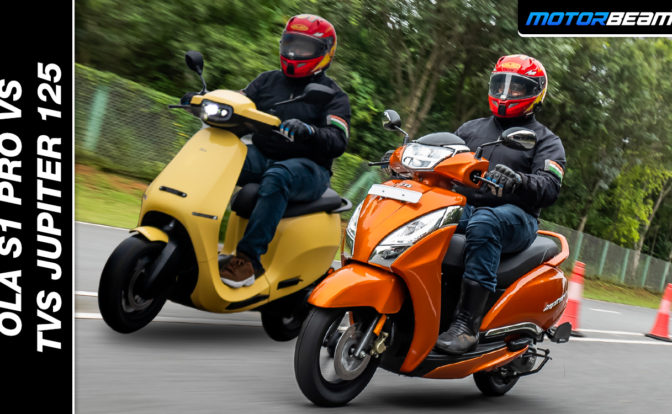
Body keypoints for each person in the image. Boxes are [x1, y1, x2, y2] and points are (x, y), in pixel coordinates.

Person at [435, 54, 566, 354]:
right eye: (501, 85)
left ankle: (466, 326)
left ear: (536, 93)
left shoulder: (547, 140)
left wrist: (519, 180)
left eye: (517, 87)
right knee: (426, 214)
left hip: (516, 216)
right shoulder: (470, 129)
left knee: (485, 222)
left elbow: (550, 187)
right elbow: (442, 160)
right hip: (465, 206)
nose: (507, 93)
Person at [213, 14, 350, 288]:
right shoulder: (267, 81)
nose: (294, 52)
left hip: (309, 168)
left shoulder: (334, 95)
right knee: (217, 157)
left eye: (304, 47)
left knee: (278, 175)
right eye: (291, 44)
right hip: (263, 155)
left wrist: (309, 130)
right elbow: (239, 104)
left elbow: (338, 140)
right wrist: (208, 101)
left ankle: (248, 261)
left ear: (325, 53)